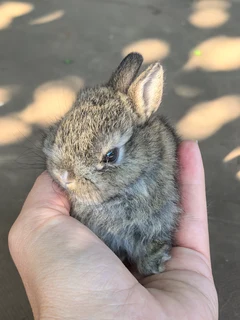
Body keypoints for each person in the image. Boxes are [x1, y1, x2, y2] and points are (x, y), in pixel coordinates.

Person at [8, 141, 218, 319]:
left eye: (110, 155)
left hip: (144, 209)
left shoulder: (152, 164)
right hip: (102, 226)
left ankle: (150, 252)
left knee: (157, 228)